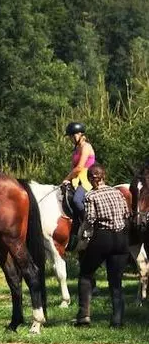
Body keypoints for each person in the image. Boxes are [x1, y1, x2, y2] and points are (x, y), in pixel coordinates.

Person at [75, 163, 130, 327]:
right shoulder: (117, 192)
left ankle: (84, 316)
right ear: (104, 176)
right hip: (121, 239)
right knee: (116, 281)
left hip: (102, 238)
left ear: (91, 179)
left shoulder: (91, 196)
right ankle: (117, 320)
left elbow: (90, 219)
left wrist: (83, 236)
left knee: (85, 273)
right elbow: (127, 214)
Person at [63, 122, 95, 248]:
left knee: (77, 200)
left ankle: (88, 225)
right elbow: (73, 168)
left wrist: (65, 179)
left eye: (71, 136)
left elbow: (80, 167)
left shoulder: (86, 147)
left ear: (79, 134)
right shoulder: (76, 149)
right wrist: (68, 181)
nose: (70, 139)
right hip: (76, 180)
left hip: (87, 180)